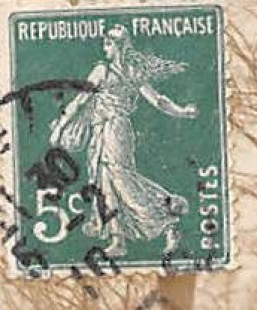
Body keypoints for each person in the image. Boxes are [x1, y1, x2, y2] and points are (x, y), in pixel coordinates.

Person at [48, 25, 199, 258]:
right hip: (106, 130)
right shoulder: (130, 72)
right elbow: (158, 100)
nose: (104, 48)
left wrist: (59, 127)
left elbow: (79, 101)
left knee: (121, 179)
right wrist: (181, 111)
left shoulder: (104, 71)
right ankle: (118, 239)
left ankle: (166, 219)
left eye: (108, 43)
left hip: (114, 129)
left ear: (117, 46)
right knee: (105, 182)